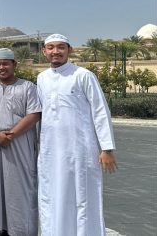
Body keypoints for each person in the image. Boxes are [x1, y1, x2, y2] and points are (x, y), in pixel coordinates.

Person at [37, 34, 117, 235]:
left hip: (80, 151)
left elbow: (100, 111)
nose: (56, 51)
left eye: (61, 47)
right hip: (51, 152)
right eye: (51, 47)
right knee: (52, 195)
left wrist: (106, 149)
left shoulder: (83, 75)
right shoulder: (41, 78)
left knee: (82, 196)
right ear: (44, 52)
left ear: (69, 50)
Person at [0, 48, 41, 236]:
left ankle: (22, 230)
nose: (1, 67)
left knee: (21, 186)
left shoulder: (28, 87)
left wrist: (11, 134)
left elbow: (34, 113)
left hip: (20, 142)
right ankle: (0, 228)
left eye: (6, 63)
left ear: (14, 65)